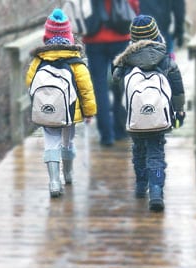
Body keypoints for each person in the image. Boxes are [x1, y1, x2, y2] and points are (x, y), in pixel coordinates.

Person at [111, 14, 185, 211]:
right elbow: (177, 89)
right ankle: (156, 190)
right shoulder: (167, 61)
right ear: (156, 35)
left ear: (133, 39)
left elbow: (115, 83)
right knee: (156, 153)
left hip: (135, 118)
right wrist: (179, 111)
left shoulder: (125, 63)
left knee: (139, 150)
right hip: (159, 117)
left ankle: (141, 185)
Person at [26, 9, 97, 197]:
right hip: (70, 112)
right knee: (67, 141)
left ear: (47, 37)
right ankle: (68, 173)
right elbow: (86, 89)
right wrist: (89, 112)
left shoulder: (38, 60)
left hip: (46, 112)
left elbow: (29, 82)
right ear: (69, 36)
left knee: (51, 143)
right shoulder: (76, 62)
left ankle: (54, 182)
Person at [82, 0, 140, 147]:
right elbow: (134, 5)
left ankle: (106, 135)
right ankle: (119, 129)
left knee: (99, 87)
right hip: (120, 36)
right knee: (120, 83)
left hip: (94, 37)